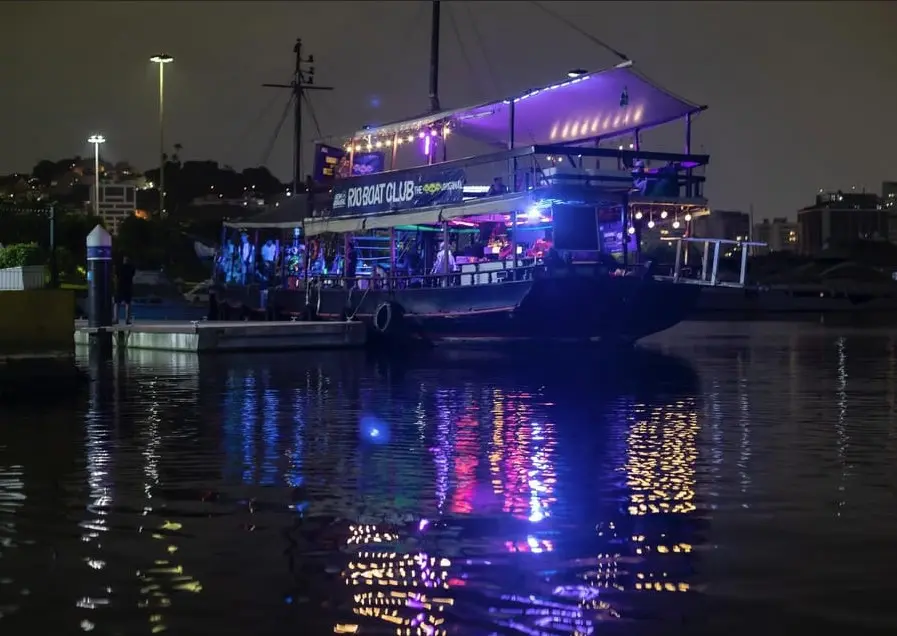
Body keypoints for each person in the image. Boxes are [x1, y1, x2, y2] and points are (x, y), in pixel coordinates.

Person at [116, 256, 136, 324]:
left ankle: (116, 319)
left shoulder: (120, 267)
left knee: (117, 303)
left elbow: (117, 274)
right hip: (127, 286)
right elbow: (133, 274)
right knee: (127, 303)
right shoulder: (131, 268)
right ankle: (127, 320)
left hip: (121, 286)